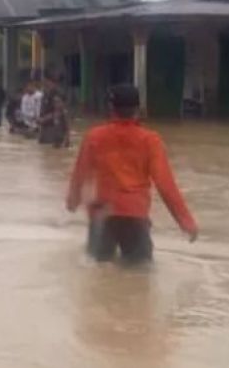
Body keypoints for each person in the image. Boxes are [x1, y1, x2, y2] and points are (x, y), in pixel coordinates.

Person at [65, 84, 198, 265]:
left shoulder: (94, 137)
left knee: (98, 273)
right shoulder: (150, 140)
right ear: (138, 110)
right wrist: (186, 222)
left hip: (102, 214)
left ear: (111, 108)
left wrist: (73, 201)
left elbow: (80, 174)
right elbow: (166, 185)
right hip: (135, 216)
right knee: (140, 276)